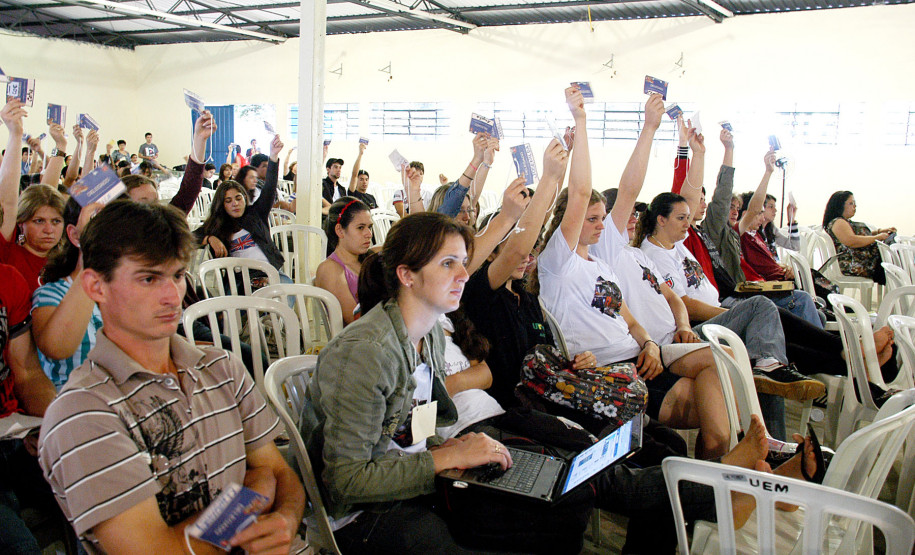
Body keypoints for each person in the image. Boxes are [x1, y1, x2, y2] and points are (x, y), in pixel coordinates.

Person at [37, 200, 307, 554]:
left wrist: (285, 517)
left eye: (178, 275)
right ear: (96, 286)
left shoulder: (220, 366)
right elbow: (155, 550)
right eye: (149, 278)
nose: (171, 296)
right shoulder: (82, 413)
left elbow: (279, 473)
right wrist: (252, 495)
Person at [536, 88, 729, 459]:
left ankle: (716, 472)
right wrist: (589, 121)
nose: (599, 225)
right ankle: (718, 474)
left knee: (717, 373)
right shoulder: (558, 262)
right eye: (592, 219)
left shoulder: (602, 263)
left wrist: (650, 344)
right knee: (713, 391)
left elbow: (628, 318)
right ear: (568, 223)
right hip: (614, 369)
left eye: (600, 218)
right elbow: (598, 192)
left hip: (642, 355)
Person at [0, 263, 59, 555]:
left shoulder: (7, 280)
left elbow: (26, 372)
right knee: (20, 547)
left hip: (14, 436)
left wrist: (52, 423)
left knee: (102, 504)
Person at [196, 134, 292, 285]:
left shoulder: (256, 213)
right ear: (222, 205)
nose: (235, 204)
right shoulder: (217, 224)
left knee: (283, 297)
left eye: (238, 198)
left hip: (270, 274)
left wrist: (273, 156)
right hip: (240, 280)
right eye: (228, 201)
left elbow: (269, 188)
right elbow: (189, 238)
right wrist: (209, 238)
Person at [315, 197, 373, 325]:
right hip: (359, 340)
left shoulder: (367, 259)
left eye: (370, 227)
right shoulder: (331, 270)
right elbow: (356, 322)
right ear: (340, 230)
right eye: (360, 228)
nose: (369, 234)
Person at [822, 191, 893, 285]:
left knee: (895, 258)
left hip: (860, 261)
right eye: (851, 203)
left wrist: (879, 232)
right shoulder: (839, 222)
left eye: (854, 203)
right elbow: (852, 240)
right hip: (854, 264)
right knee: (895, 261)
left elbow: (857, 235)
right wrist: (877, 237)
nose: (854, 206)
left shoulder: (843, 222)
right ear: (839, 205)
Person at [347, 142, 378, 209]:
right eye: (361, 179)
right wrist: (360, 154)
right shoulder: (353, 194)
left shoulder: (371, 197)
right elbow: (354, 174)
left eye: (366, 179)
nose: (364, 182)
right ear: (356, 181)